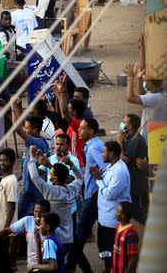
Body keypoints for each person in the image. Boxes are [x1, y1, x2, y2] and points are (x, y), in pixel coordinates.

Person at [66, 117, 106, 273]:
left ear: (90, 131)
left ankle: (70, 265)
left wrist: (97, 187)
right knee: (85, 231)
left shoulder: (93, 148)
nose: (79, 130)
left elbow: (105, 167)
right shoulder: (94, 145)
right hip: (92, 194)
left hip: (93, 196)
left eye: (82, 128)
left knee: (81, 231)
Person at [29, 146, 84, 254]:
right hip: (68, 238)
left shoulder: (50, 191)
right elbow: (80, 177)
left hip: (54, 237)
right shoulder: (72, 189)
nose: (49, 175)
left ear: (54, 179)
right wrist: (72, 165)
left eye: (51, 174)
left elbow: (35, 178)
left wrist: (32, 157)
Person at [89, 141, 132, 273]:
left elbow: (110, 194)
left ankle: (112, 269)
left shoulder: (119, 171)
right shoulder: (110, 166)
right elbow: (106, 186)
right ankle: (109, 268)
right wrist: (99, 178)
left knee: (113, 252)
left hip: (113, 222)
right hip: (104, 219)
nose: (101, 154)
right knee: (104, 250)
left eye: (103, 151)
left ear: (111, 154)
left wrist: (98, 180)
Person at [0, 199, 51, 271]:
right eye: (35, 211)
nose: (37, 215)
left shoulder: (53, 229)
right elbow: (7, 230)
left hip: (46, 267)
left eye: (41, 212)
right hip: (32, 266)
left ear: (48, 213)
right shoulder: (27, 221)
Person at [11, 97, 49, 220]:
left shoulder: (36, 142)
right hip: (33, 187)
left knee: (22, 218)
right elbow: (22, 125)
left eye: (27, 129)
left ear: (34, 130)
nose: (25, 130)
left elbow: (17, 128)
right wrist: (17, 107)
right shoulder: (39, 139)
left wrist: (12, 108)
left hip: (31, 190)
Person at [124, 63, 167, 144]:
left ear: (150, 83)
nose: (145, 83)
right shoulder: (159, 93)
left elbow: (130, 98)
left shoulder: (154, 97)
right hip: (154, 135)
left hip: (150, 138)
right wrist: (139, 79)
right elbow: (142, 94)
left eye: (145, 81)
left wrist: (130, 79)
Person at [117, 114, 148, 225]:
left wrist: (120, 142)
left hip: (136, 182)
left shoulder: (135, 140)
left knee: (138, 212)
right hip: (135, 180)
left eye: (124, 122)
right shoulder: (131, 138)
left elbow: (123, 161)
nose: (122, 124)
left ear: (129, 126)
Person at [0, 148, 18, 273]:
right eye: (1, 160)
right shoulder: (4, 178)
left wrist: (6, 229)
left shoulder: (11, 181)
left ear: (12, 162)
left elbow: (11, 206)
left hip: (4, 227)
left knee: (0, 257)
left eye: (5, 161)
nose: (2, 163)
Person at [54, 76, 86, 167]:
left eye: (69, 109)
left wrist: (61, 93)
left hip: (76, 165)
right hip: (71, 164)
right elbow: (64, 110)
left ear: (74, 112)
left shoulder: (78, 125)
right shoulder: (74, 124)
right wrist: (61, 94)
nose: (67, 110)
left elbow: (64, 111)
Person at [111, 201, 139, 273]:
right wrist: (108, 253)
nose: (115, 213)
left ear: (123, 216)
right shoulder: (118, 226)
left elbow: (134, 257)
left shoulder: (130, 234)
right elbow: (118, 249)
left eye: (117, 211)